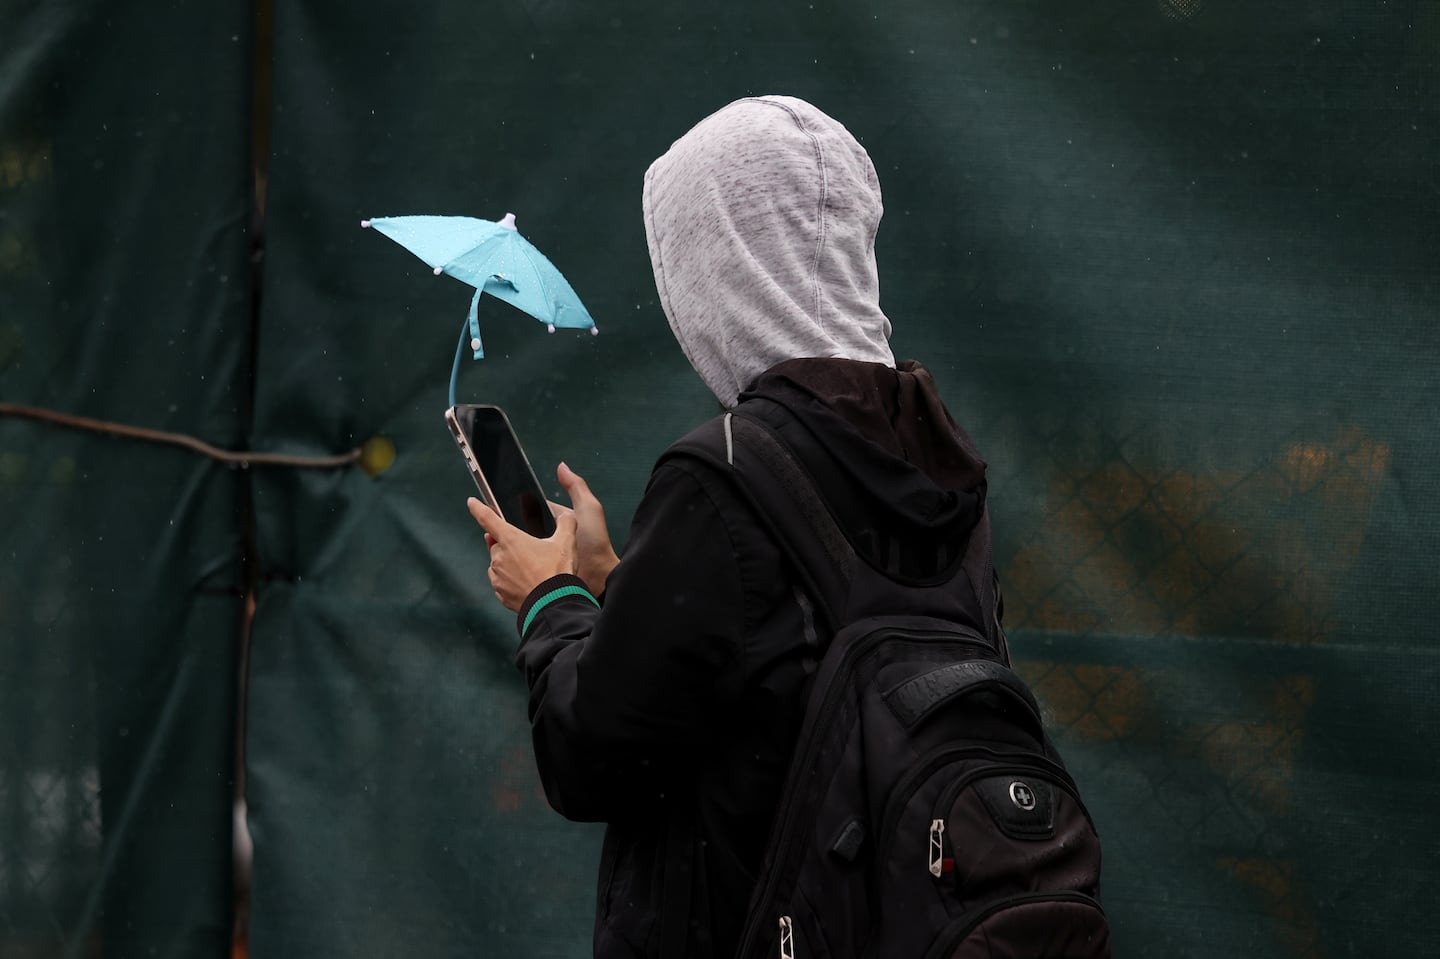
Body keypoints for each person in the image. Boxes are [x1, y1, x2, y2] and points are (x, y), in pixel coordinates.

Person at [469, 95, 990, 959]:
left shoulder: (730, 469)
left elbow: (590, 752)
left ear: (722, 267)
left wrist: (550, 600)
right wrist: (618, 585)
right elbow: (789, 666)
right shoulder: (939, 459)